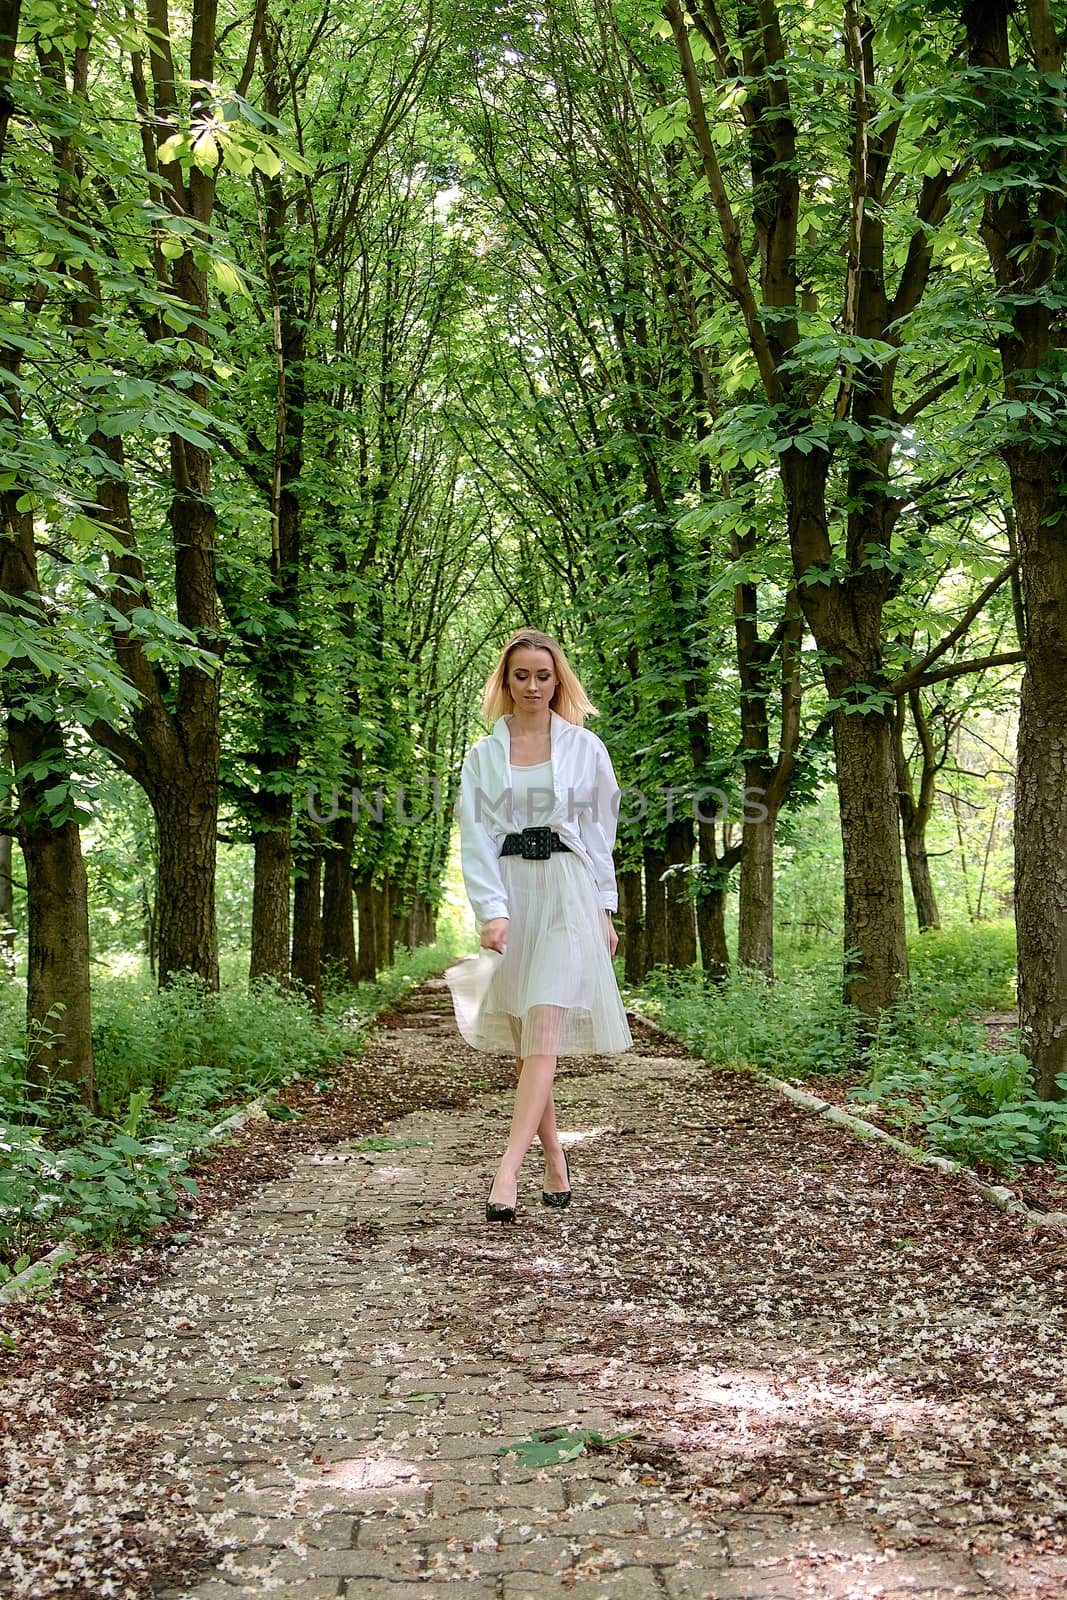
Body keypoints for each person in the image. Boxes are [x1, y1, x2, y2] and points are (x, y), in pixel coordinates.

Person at [445, 627, 633, 1223]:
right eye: (521, 675)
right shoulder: (482, 755)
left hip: (567, 890)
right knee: (532, 1038)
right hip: (514, 891)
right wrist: (491, 910)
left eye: (543, 676)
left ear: (559, 681)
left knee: (546, 1021)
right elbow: (474, 836)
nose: (532, 685)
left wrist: (605, 907)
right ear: (506, 681)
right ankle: (554, 1157)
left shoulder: (585, 747)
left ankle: (506, 1171)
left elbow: (602, 835)